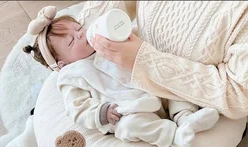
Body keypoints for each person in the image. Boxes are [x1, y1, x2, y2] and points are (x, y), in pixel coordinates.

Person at [23, 6, 219, 147]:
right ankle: (174, 136)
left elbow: (135, 39)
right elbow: (77, 109)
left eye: (79, 29)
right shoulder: (71, 77)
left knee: (173, 85)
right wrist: (102, 112)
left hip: (151, 86)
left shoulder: (102, 41)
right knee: (129, 127)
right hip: (129, 109)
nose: (81, 35)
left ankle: (186, 118)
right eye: (72, 40)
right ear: (62, 64)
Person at [86, 1, 248, 120]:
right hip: (120, 94)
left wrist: (146, 61)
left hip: (193, 118)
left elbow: (238, 96)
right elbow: (86, 25)